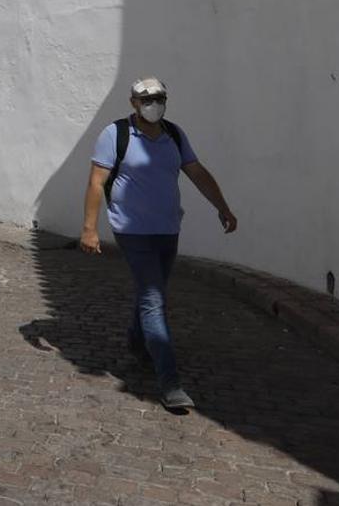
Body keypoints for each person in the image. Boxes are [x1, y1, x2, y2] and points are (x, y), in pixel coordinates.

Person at [80, 78, 238, 411]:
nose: (153, 104)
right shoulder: (116, 135)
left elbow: (196, 172)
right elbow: (97, 183)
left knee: (153, 290)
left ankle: (137, 341)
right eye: (146, 99)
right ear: (133, 102)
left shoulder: (174, 135)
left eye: (159, 98)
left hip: (167, 229)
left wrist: (222, 206)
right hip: (131, 231)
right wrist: (89, 228)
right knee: (154, 300)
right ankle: (170, 383)